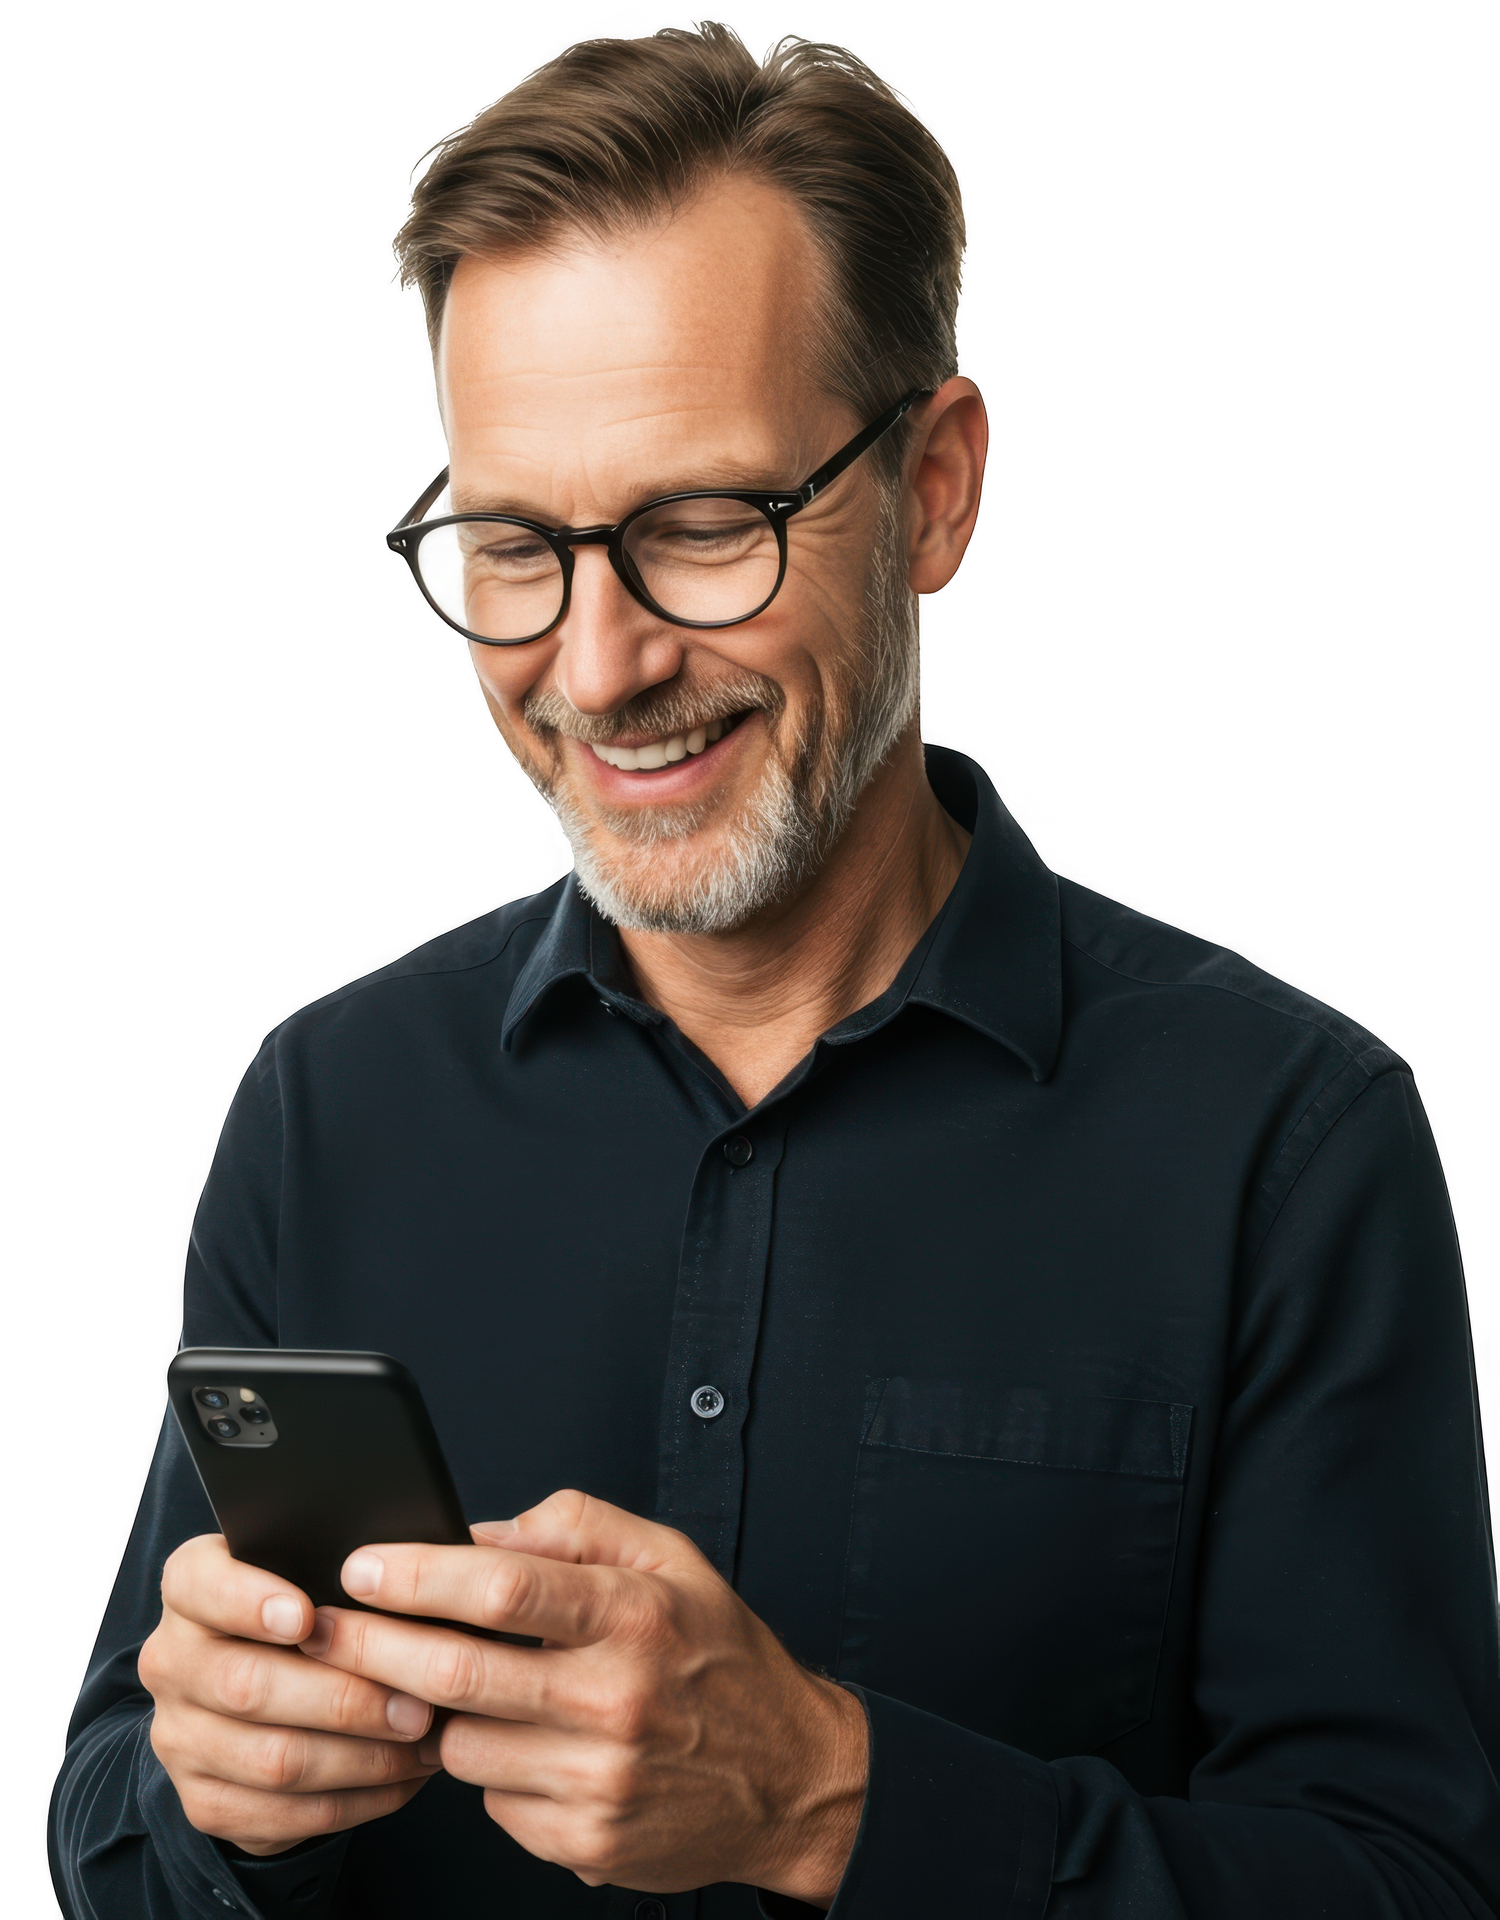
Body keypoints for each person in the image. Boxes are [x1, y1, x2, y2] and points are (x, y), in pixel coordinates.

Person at [48, 22, 1498, 1920]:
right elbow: (112, 1825)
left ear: (942, 488)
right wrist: (203, 1801)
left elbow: (1403, 1889)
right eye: (513, 544)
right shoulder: (325, 1108)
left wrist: (833, 1799)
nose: (598, 667)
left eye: (703, 528)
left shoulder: (1291, 1146)